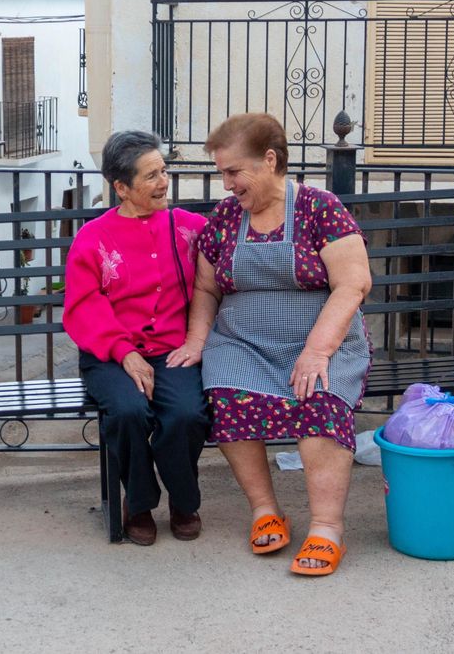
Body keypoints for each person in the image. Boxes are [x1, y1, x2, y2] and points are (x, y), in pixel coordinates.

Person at [178, 113, 372, 576]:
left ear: (269, 160)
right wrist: (198, 340)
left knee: (320, 409)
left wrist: (319, 350)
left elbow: (353, 283)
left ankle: (326, 529)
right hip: (243, 344)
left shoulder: (319, 208)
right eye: (221, 173)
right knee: (226, 396)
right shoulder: (225, 218)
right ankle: (265, 510)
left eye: (232, 172)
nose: (226, 185)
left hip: (318, 341)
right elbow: (206, 289)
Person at [64, 130, 210, 545]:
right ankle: (139, 502)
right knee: (128, 412)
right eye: (150, 176)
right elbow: (83, 306)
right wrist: (124, 352)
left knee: (186, 413)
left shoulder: (188, 228)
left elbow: (234, 243)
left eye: (163, 171)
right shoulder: (92, 238)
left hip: (173, 350)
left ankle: (184, 500)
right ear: (121, 187)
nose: (164, 182)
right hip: (110, 353)